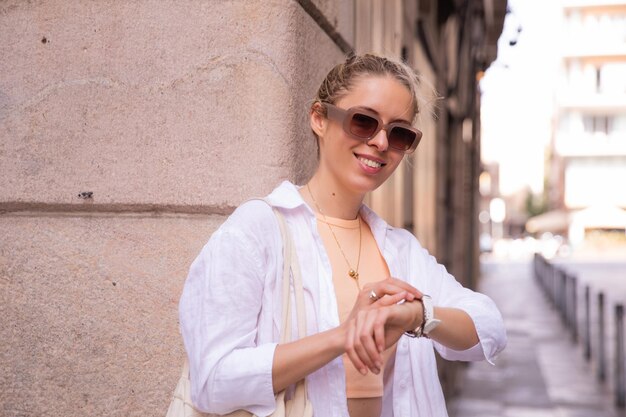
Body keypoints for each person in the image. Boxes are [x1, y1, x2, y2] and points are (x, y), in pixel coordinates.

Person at [178, 53, 506, 417]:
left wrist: (418, 316)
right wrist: (341, 336)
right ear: (319, 118)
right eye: (364, 122)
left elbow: (489, 328)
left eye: (399, 132)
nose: (381, 142)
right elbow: (213, 382)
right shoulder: (258, 230)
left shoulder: (399, 249)